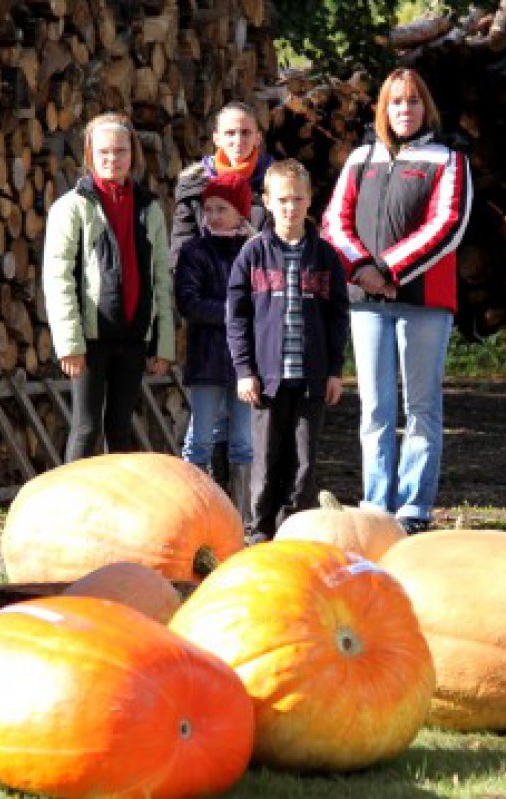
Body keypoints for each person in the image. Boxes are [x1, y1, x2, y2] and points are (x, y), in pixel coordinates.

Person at [321, 68, 473, 534]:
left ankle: (413, 509)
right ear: (382, 109)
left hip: (425, 302)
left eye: (413, 101)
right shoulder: (360, 158)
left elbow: (447, 225)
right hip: (366, 301)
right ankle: (376, 505)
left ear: (426, 107)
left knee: (421, 408)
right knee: (375, 408)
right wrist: (363, 271)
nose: (404, 109)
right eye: (395, 101)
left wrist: (389, 269)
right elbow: (334, 222)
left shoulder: (449, 160)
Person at [226, 159, 350, 543]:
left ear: (309, 200)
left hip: (311, 378)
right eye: (282, 200)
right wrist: (244, 370)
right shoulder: (253, 254)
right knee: (266, 461)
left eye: (297, 199)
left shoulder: (325, 257)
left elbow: (337, 317)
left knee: (304, 464)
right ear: (267, 201)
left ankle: (293, 533)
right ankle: (258, 534)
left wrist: (334, 370)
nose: (290, 207)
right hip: (266, 380)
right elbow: (237, 316)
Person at [42, 112, 176, 462]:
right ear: (90, 155)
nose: (112, 159)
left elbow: (161, 277)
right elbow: (58, 278)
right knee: (86, 428)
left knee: (121, 428)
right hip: (90, 338)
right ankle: (73, 497)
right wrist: (70, 343)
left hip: (132, 338)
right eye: (103, 152)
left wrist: (162, 343)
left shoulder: (149, 208)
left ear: (133, 154)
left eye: (120, 151)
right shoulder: (71, 208)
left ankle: (119, 499)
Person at [172, 101, 274, 491]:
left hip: (249, 348)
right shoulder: (194, 185)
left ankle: (239, 507)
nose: (237, 140)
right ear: (216, 137)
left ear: (257, 137)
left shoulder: (272, 182)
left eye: (245, 132)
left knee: (243, 438)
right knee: (204, 432)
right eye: (229, 133)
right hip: (208, 340)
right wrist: (232, 311)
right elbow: (180, 255)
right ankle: (200, 503)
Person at [174, 173, 256, 512]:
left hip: (246, 363)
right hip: (207, 358)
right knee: (200, 440)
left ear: (240, 211)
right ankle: (192, 510)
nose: (213, 216)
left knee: (243, 442)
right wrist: (235, 313)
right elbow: (189, 302)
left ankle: (242, 514)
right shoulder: (195, 251)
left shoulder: (255, 250)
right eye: (208, 209)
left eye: (222, 209)